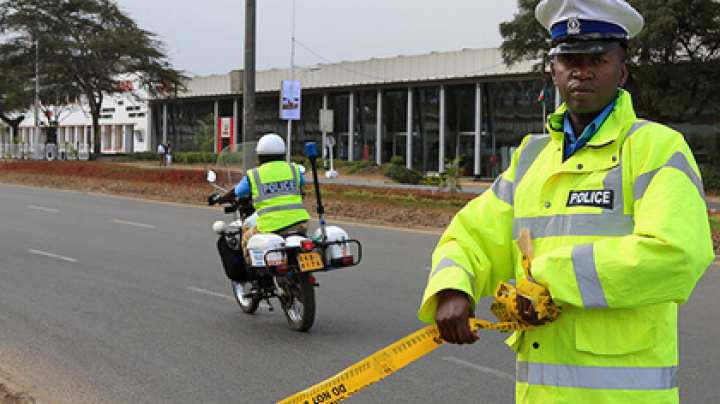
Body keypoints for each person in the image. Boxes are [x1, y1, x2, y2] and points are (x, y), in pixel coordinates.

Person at [418, 0, 714, 403]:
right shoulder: (531, 157)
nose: (582, 71)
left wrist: (545, 280)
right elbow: (471, 236)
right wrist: (453, 288)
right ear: (553, 70)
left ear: (622, 71)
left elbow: (676, 253)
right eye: (570, 59)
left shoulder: (656, 149)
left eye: (598, 59)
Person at [214, 133, 310, 261]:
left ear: (260, 156)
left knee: (246, 239)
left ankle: (255, 275)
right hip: (300, 223)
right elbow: (301, 184)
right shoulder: (293, 169)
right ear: (283, 154)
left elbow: (236, 192)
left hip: (271, 225)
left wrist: (221, 198)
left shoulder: (254, 175)